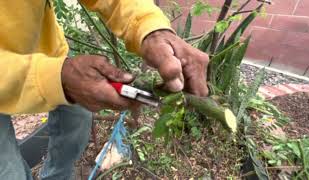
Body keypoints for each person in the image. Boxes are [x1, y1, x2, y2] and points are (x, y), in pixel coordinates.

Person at [0, 0, 209, 179]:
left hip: (50, 55)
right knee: (10, 173)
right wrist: (54, 78)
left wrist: (149, 27)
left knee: (77, 120)